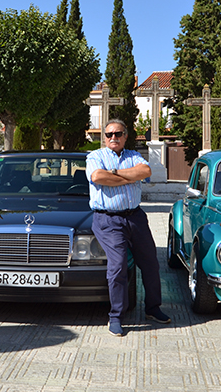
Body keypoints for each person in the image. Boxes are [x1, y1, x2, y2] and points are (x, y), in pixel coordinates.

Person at [86, 118, 171, 336]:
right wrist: (127, 177)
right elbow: (97, 176)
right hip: (108, 220)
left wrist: (113, 174)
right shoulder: (95, 156)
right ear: (104, 137)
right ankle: (116, 316)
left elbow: (144, 172)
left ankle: (153, 308)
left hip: (135, 217)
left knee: (151, 263)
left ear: (125, 136)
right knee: (118, 266)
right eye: (109, 134)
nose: (113, 137)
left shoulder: (134, 156)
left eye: (118, 133)